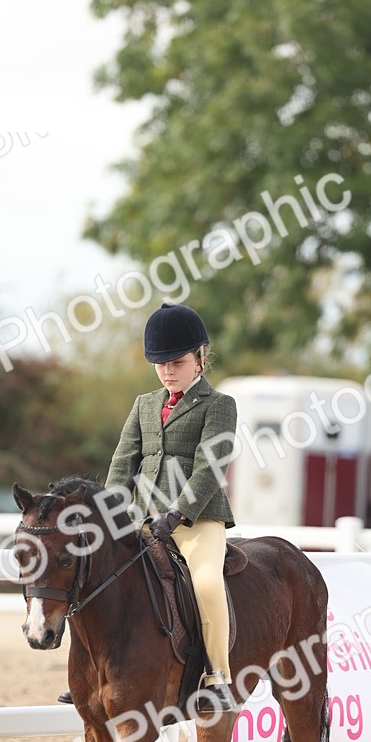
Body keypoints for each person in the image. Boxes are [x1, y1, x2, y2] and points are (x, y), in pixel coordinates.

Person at [59, 301, 239, 712]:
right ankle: (89, 673)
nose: (168, 371)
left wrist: (178, 513)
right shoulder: (144, 404)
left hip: (197, 520)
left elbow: (211, 465)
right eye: (160, 364)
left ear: (201, 358)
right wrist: (108, 514)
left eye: (176, 362)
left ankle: (218, 676)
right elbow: (123, 462)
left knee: (207, 583)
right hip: (141, 520)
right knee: (95, 578)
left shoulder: (219, 405)